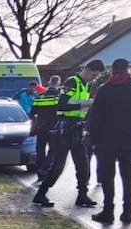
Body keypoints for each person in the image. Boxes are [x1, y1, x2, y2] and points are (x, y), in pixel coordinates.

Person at [32, 59, 105, 209]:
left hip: (77, 127)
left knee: (83, 164)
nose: (94, 78)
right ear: (87, 70)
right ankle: (41, 194)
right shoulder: (72, 82)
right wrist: (85, 103)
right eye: (94, 75)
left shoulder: (85, 85)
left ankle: (82, 195)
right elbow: (63, 104)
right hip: (65, 127)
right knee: (58, 165)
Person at [86, 58, 131, 224]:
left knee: (107, 177)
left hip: (106, 140)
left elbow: (95, 118)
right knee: (128, 177)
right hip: (129, 139)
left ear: (112, 71)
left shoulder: (105, 89)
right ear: (128, 70)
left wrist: (94, 139)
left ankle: (108, 210)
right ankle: (127, 211)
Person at [29, 75, 61, 178]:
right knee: (54, 150)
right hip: (54, 127)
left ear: (49, 83)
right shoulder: (59, 97)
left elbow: (32, 114)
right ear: (58, 84)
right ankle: (44, 169)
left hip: (40, 127)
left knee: (40, 150)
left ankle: (40, 173)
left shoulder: (39, 97)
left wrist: (35, 125)